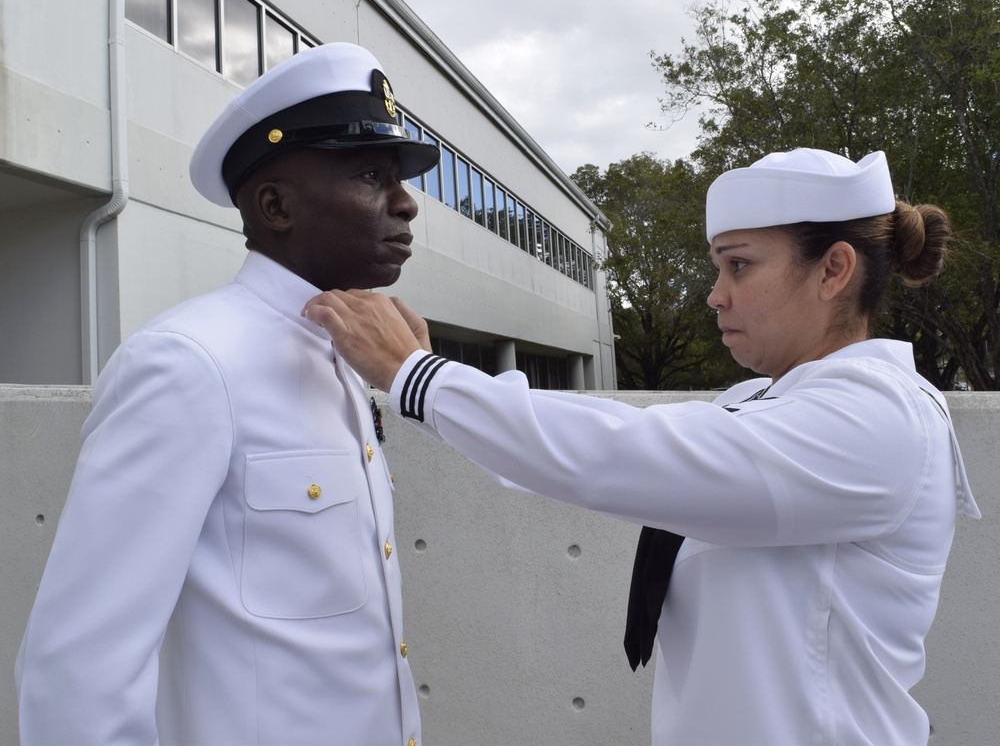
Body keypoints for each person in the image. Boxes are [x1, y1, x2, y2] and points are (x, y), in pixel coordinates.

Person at [303, 148, 981, 745]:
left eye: (739, 266)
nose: (716, 296)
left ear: (834, 270)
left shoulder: (878, 420)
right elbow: (599, 449)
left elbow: (615, 451)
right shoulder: (758, 404)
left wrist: (419, 377)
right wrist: (431, 388)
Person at [16, 42, 439, 746]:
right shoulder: (189, 363)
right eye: (371, 175)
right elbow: (79, 670)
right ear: (275, 206)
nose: (406, 204)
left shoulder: (344, 355)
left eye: (397, 179)